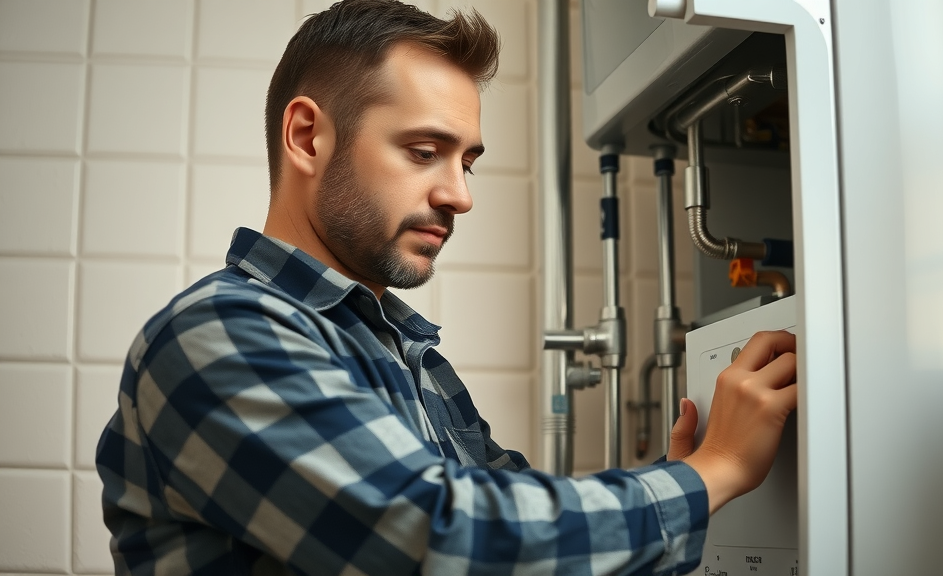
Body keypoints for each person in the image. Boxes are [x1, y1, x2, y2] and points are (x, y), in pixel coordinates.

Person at [95, 1, 798, 574]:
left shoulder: (404, 348)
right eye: (424, 152)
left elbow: (518, 514)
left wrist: (682, 479)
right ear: (308, 137)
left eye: (469, 162)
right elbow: (442, 537)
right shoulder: (218, 334)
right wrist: (712, 473)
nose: (460, 195)